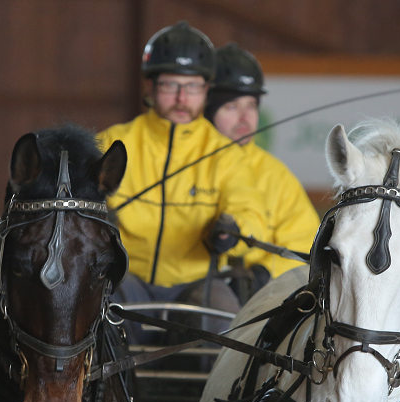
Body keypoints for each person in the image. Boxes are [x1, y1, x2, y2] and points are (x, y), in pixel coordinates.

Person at [98, 22, 267, 343]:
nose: (180, 98)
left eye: (192, 87)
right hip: (126, 277)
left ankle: (212, 396)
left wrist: (232, 227)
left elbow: (250, 209)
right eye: (170, 86)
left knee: (224, 319)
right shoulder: (112, 141)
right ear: (150, 86)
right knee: (95, 308)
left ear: (206, 90)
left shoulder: (226, 154)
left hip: (196, 282)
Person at [205, 42, 319, 292]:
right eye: (232, 106)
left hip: (256, 302)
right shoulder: (188, 164)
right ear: (207, 109)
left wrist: (264, 274)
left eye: (252, 106)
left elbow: (305, 248)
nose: (245, 118)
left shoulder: (277, 176)